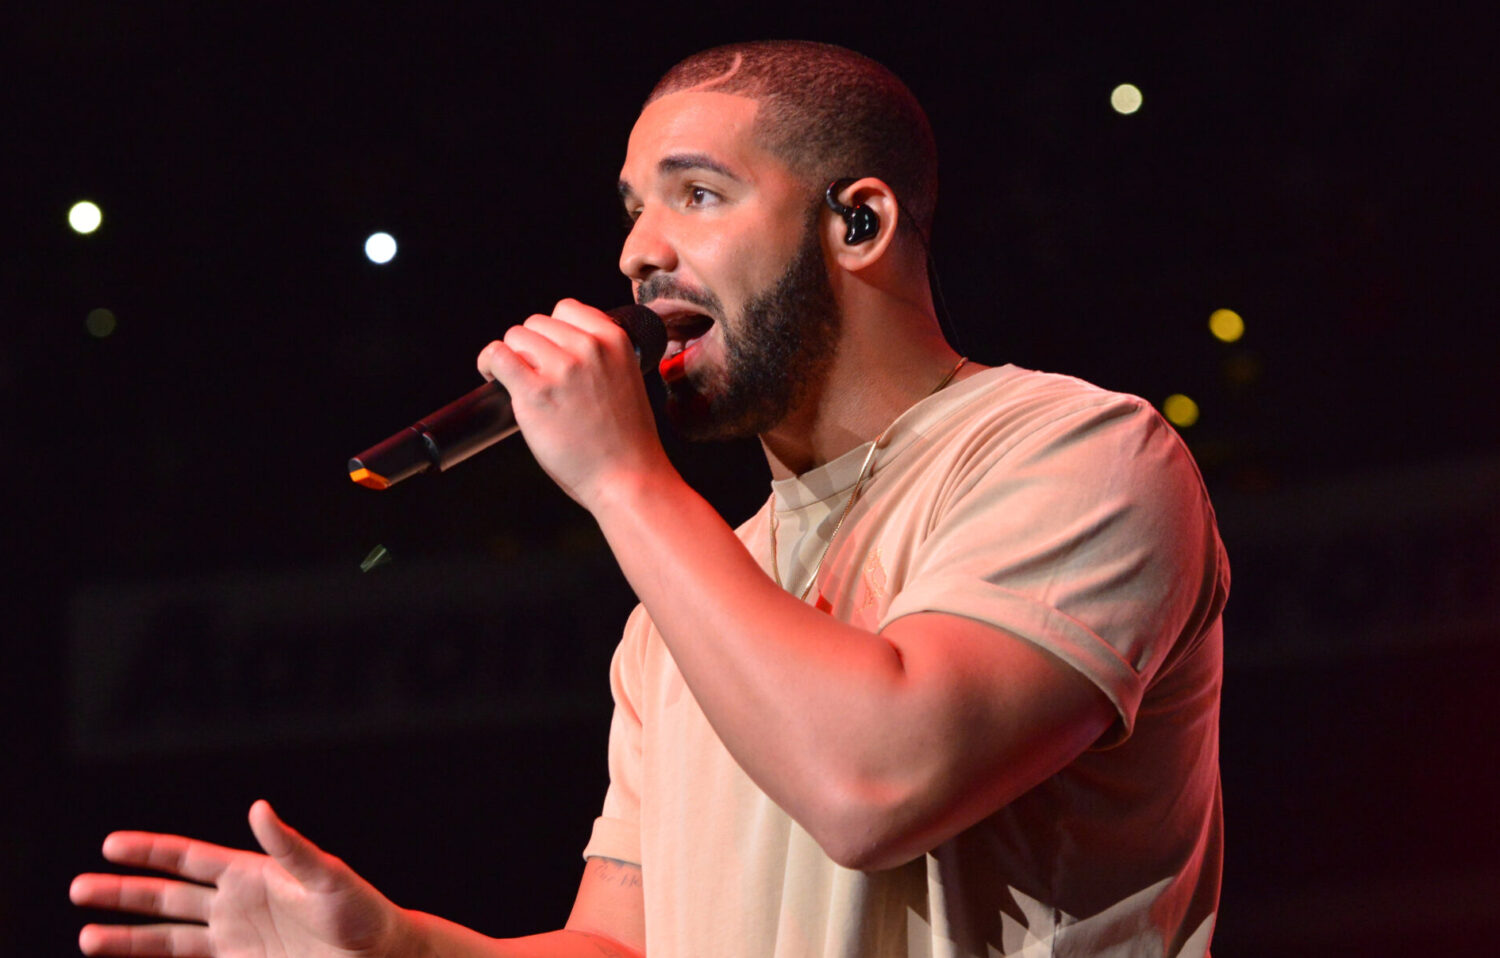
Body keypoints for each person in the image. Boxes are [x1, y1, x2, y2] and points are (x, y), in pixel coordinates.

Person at [71, 40, 1227, 957]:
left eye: (700, 196)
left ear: (858, 223)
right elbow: (623, 945)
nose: (637, 252)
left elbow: (876, 783)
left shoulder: (1077, 452)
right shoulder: (674, 617)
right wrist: (407, 953)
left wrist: (623, 478)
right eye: (633, 206)